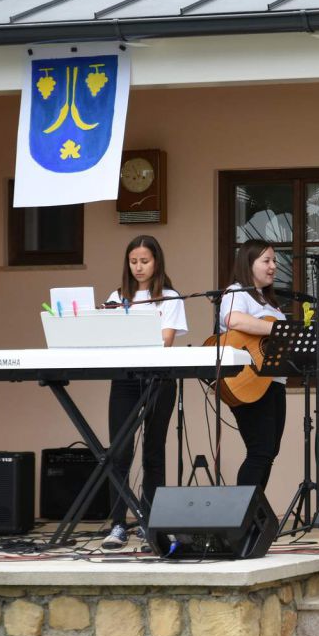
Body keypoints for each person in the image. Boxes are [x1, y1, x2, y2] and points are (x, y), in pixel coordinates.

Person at [101, 235, 188, 550]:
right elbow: (108, 338)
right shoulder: (116, 297)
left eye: (145, 261)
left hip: (159, 379)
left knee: (153, 451)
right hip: (124, 378)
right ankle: (118, 524)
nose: (138, 267)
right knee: (119, 452)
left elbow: (166, 340)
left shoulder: (170, 297)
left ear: (156, 262)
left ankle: (150, 522)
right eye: (133, 261)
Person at [219, 239, 287, 492]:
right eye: (266, 260)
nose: (273, 266)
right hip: (249, 379)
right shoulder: (236, 292)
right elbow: (233, 319)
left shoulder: (269, 302)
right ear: (248, 264)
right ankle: (246, 511)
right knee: (260, 450)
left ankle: (253, 509)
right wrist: (277, 329)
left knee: (270, 451)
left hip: (274, 381)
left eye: (274, 261)